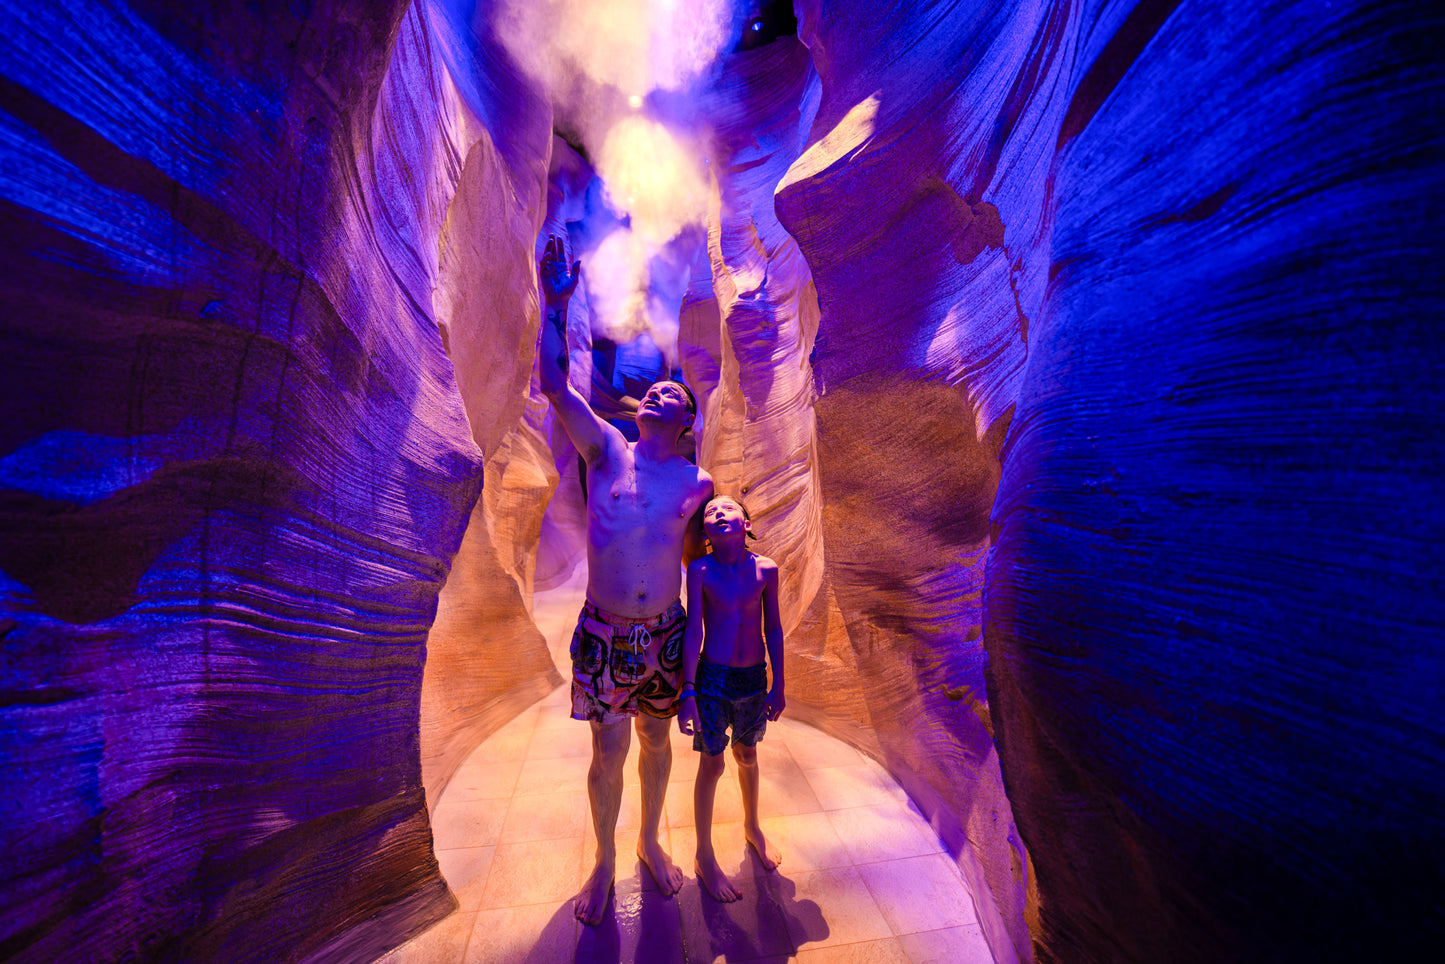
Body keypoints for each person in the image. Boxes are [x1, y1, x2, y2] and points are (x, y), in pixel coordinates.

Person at [537, 234, 714, 925]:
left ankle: (647, 843)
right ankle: (604, 861)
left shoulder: (697, 483)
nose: (653, 394)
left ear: (685, 420)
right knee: (606, 750)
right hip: (604, 633)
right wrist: (556, 304)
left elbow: (706, 563)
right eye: (652, 391)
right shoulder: (606, 448)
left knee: (656, 742)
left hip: (665, 634)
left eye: (668, 392)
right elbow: (554, 386)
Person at [678, 495, 786, 902]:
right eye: (710, 512)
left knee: (748, 755)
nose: (719, 513)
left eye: (728, 509)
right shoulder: (701, 570)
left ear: (747, 521)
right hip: (712, 679)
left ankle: (753, 826)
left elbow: (773, 628)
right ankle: (704, 855)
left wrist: (779, 684)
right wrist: (687, 689)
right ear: (704, 531)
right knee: (712, 762)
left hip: (753, 679)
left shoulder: (766, 569)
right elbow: (694, 631)